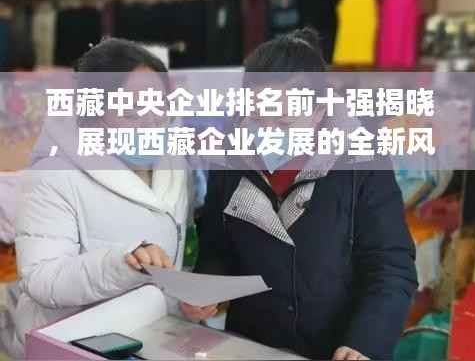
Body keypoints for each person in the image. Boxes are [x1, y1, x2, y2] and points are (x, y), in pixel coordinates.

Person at [183, 28, 418, 360]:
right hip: (251, 344)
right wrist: (208, 288)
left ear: (319, 112)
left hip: (336, 345)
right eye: (257, 119)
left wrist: (365, 343)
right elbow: (217, 245)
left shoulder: (361, 162)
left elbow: (391, 266)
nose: (268, 135)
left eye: (283, 123)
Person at [5, 38, 190, 358]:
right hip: (73, 343)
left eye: (158, 109)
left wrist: (187, 301)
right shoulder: (53, 175)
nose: (150, 123)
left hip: (149, 333)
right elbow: (43, 279)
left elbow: (172, 262)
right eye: (132, 113)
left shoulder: (173, 165)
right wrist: (125, 263)